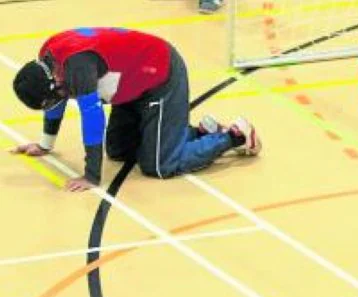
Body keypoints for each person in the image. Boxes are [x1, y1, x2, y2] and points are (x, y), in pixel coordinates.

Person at [12, 27, 260, 192]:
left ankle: (234, 135)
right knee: (118, 150)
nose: (58, 100)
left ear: (53, 81)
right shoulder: (48, 59)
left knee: (160, 166)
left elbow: (93, 120)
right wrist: (45, 145)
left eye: (51, 98)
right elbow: (56, 103)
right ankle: (196, 133)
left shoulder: (78, 69)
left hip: (161, 78)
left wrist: (91, 176)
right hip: (130, 85)